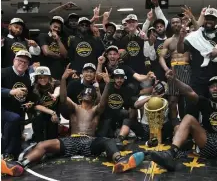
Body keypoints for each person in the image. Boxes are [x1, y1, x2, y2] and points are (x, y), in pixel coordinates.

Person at [1, 64, 145, 177]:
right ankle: (20, 164)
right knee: (43, 144)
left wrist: (108, 84)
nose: (88, 94)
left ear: (93, 97)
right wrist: (63, 79)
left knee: (108, 141)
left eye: (91, 93)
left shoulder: (95, 110)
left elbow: (102, 104)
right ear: (81, 97)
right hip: (71, 140)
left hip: (90, 141)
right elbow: (63, 98)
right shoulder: (75, 107)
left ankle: (120, 161)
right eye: (86, 93)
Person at [150, 66, 217, 180]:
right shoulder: (204, 102)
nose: (215, 89)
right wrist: (174, 80)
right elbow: (188, 91)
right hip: (207, 141)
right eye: (212, 87)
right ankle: (171, 153)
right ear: (208, 89)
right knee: (189, 118)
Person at [1, 50, 35, 160]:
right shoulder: (3, 72)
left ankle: (12, 152)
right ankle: (6, 153)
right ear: (14, 60)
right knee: (13, 118)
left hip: (17, 111)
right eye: (20, 60)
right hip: (3, 109)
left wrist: (28, 103)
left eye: (25, 62)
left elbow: (26, 96)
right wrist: (11, 92)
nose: (22, 63)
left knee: (17, 148)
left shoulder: (26, 78)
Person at [31, 66, 61, 142]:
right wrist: (52, 113)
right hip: (42, 112)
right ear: (37, 78)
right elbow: (36, 106)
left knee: (52, 136)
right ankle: (38, 139)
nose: (43, 79)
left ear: (49, 77)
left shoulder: (54, 83)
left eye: (45, 77)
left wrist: (55, 94)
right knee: (37, 116)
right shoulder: (34, 88)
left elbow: (59, 87)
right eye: (40, 78)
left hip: (53, 110)